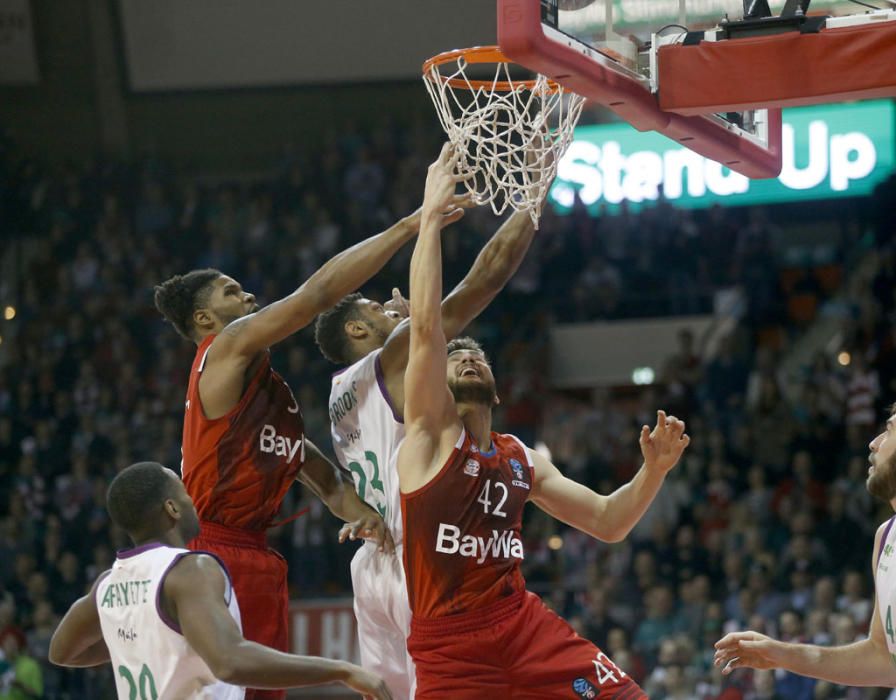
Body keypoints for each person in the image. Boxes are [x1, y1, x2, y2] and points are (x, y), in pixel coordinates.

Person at [396, 144, 691, 697]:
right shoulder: (430, 436)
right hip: (449, 646)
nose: (465, 355)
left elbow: (608, 521)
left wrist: (654, 471)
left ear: (498, 389)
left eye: (475, 353)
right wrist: (430, 219)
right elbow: (424, 326)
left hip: (522, 625)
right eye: (454, 355)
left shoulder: (520, 460)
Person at [152, 192, 465, 700]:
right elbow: (317, 294)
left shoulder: (276, 398)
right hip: (210, 549)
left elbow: (327, 481)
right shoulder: (223, 349)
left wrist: (363, 514)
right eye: (232, 293)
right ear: (205, 321)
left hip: (256, 555)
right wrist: (410, 225)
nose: (249, 298)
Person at [314, 203, 537, 698]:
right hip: (421, 564)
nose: (389, 309)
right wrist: (533, 197)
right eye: (377, 310)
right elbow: (486, 279)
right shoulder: (390, 360)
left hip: (372, 567)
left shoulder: (339, 394)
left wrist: (411, 323)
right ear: (355, 330)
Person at [48, 461, 391, 700]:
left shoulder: (107, 585)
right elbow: (230, 661)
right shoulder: (189, 570)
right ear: (172, 508)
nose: (192, 499)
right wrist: (342, 670)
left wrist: (152, 642)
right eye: (184, 492)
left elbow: (62, 651)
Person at [713, 406, 896, 689]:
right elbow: (883, 660)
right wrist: (781, 654)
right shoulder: (885, 536)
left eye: (890, 429)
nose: (874, 442)